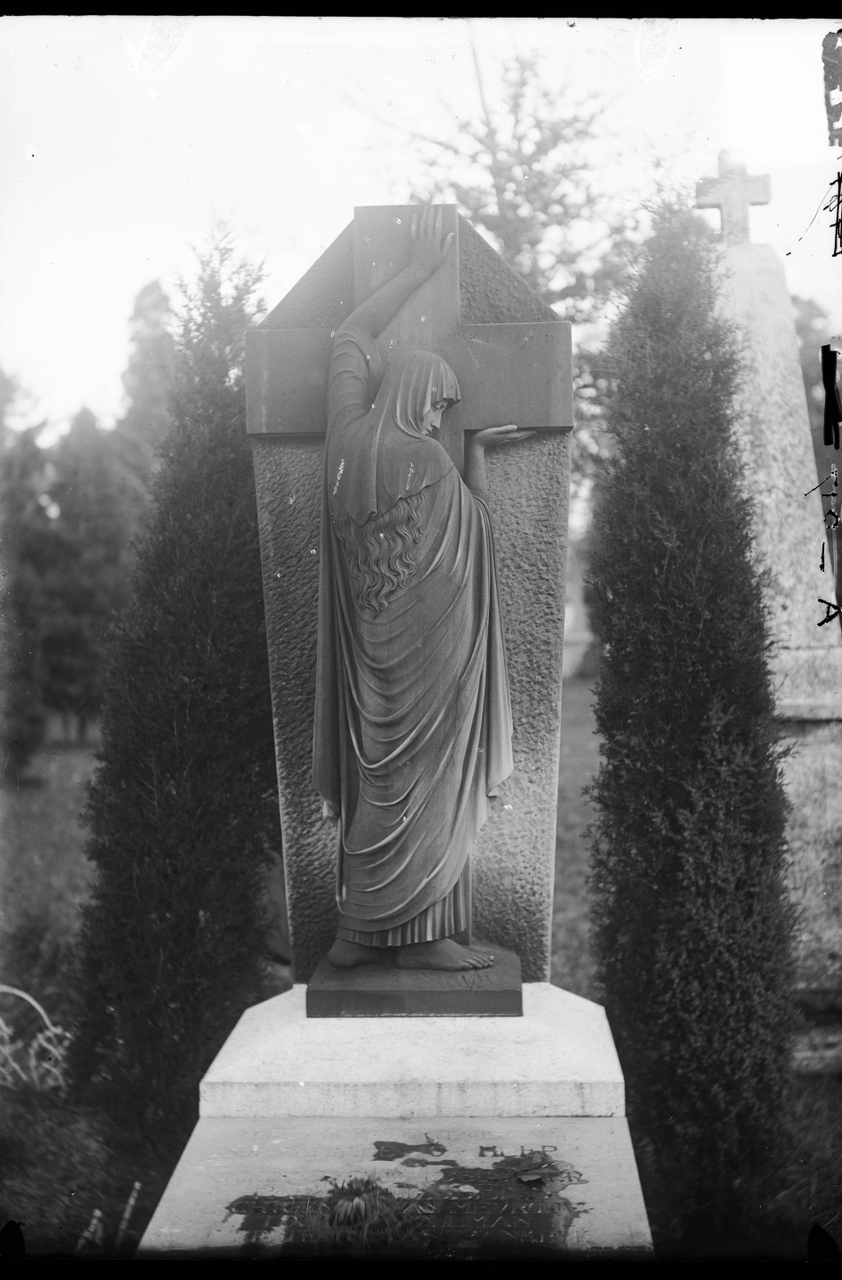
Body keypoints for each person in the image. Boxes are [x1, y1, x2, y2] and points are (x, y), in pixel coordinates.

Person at [313, 206, 531, 971]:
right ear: (418, 397)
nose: (442, 415)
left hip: (370, 665)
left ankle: (357, 933)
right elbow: (478, 539)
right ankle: (426, 938)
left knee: (379, 773)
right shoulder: (432, 463)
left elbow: (349, 338)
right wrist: (472, 449)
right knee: (431, 779)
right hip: (433, 665)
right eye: (440, 404)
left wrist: (410, 273)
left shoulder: (342, 439)